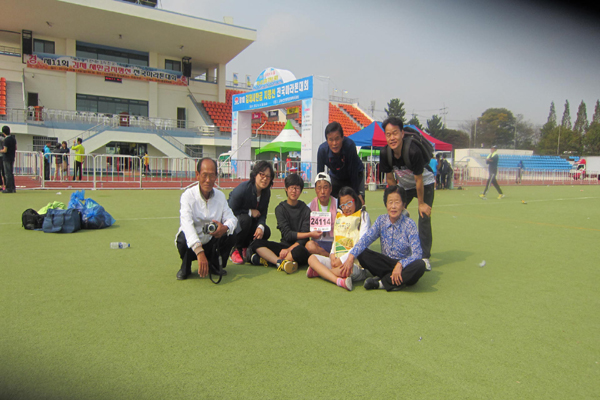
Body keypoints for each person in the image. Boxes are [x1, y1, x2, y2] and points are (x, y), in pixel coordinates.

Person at [342, 186, 426, 292]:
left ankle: (381, 283)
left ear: (404, 205)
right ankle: (395, 280)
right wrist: (351, 257)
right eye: (390, 202)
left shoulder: (410, 224)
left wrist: (401, 264)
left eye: (397, 202)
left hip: (404, 265)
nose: (393, 206)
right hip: (385, 263)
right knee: (363, 253)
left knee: (420, 265)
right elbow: (365, 239)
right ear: (386, 204)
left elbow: (417, 253)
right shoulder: (381, 220)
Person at [379, 116, 434, 271]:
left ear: (402, 133)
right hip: (404, 186)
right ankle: (399, 251)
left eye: (395, 133)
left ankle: (424, 257)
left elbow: (419, 181)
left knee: (424, 217)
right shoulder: (385, 153)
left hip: (425, 184)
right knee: (395, 214)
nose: (392, 138)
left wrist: (421, 204)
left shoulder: (413, 151)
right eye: (388, 134)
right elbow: (390, 179)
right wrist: (397, 202)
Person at [175, 158, 238, 281]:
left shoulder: (220, 196)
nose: (208, 180)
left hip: (211, 240)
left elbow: (232, 219)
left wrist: (224, 228)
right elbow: (186, 224)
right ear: (197, 175)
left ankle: (214, 264)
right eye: (204, 175)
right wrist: (199, 251)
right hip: (192, 243)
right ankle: (186, 266)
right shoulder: (188, 196)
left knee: (232, 232)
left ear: (216, 176)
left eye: (212, 175)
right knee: (183, 238)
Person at [248, 173, 321, 274]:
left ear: (301, 190)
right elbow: (287, 234)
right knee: (255, 243)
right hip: (283, 247)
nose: (294, 191)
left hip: (297, 248)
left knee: (300, 251)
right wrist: (286, 249)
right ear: (286, 188)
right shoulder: (280, 209)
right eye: (291, 187)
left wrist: (289, 250)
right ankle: (280, 262)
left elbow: (303, 240)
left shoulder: (306, 210)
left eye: (297, 188)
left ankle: (272, 261)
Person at [307, 186, 370, 291]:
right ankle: (339, 281)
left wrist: (342, 260)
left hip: (353, 263)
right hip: (336, 261)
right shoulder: (339, 216)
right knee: (312, 258)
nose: (346, 208)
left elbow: (362, 243)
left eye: (349, 203)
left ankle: (320, 272)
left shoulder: (363, 215)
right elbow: (336, 239)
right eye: (343, 205)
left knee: (347, 270)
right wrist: (332, 255)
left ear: (355, 200)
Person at [227, 161, 274, 264]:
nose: (265, 178)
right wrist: (249, 212)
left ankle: (247, 247)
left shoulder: (266, 192)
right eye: (262, 174)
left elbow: (263, 212)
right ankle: (235, 249)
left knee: (266, 231)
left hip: (250, 225)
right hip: (236, 224)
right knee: (245, 219)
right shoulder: (243, 188)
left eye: (268, 176)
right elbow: (229, 210)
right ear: (255, 174)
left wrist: (260, 227)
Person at [317, 121, 365, 203]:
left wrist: (357, 194)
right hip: (336, 177)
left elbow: (353, 172)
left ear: (342, 138)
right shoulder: (322, 150)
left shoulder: (350, 146)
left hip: (355, 175)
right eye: (331, 140)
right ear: (327, 140)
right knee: (334, 203)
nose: (334, 143)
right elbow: (320, 175)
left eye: (337, 139)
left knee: (356, 203)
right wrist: (321, 193)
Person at [307, 172, 338, 256]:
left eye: (325, 188)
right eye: (319, 188)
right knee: (309, 246)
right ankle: (329, 257)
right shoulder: (309, 207)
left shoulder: (338, 204)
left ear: (331, 189)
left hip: (334, 242)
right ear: (315, 190)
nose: (322, 192)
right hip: (317, 243)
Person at [1, 126, 17, 193]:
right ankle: (13, 188)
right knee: (11, 173)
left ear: (3, 132)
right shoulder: (13, 139)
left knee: (7, 174)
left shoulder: (6, 140)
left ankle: (8, 188)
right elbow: (16, 148)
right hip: (12, 157)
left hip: (6, 158)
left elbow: (5, 150)